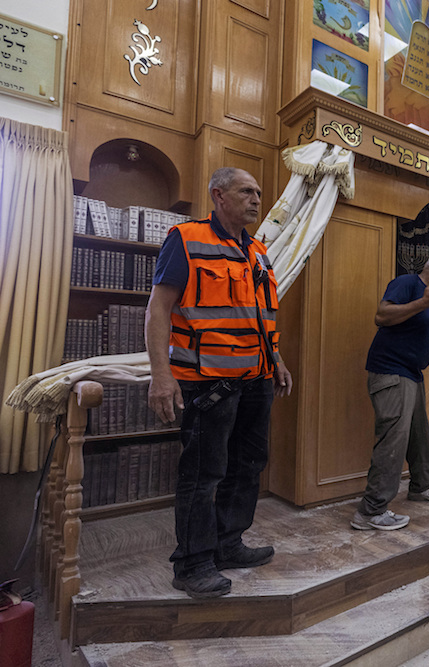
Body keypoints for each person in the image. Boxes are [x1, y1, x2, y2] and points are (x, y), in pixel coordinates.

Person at [146, 167, 293, 599]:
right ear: (218, 195)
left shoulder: (259, 252)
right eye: (246, 191)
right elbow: (158, 310)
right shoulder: (186, 238)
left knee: (248, 466)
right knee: (203, 473)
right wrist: (161, 374)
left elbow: (259, 316)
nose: (256, 198)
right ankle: (191, 564)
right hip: (208, 382)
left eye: (259, 192)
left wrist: (277, 360)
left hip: (256, 379)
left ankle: (229, 545)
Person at [352, 251, 429, 532]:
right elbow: (381, 315)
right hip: (390, 372)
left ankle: (422, 485)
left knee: (418, 435)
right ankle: (370, 511)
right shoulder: (408, 283)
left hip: (412, 375)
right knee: (393, 440)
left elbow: (428, 340)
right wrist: (423, 302)